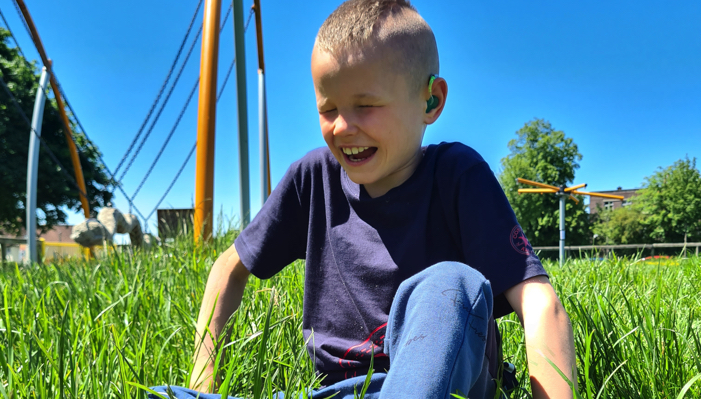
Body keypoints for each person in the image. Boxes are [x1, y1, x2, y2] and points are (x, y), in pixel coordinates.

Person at [149, 0, 577, 398]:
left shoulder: (457, 174)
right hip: (338, 390)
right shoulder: (312, 178)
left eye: (366, 105)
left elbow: (539, 303)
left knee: (451, 282)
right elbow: (228, 268)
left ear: (431, 100)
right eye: (328, 108)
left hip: (450, 381)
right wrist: (203, 381)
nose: (342, 127)